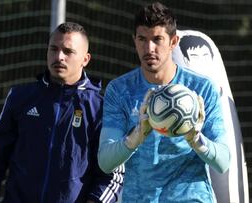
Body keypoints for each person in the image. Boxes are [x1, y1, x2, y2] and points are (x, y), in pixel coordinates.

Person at [0, 22, 124, 203]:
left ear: (86, 59)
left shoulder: (101, 110)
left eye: (68, 51)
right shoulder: (20, 97)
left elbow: (113, 174)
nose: (59, 57)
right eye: (53, 49)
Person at [97, 2, 230, 202]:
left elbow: (223, 162)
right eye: (142, 39)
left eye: (157, 39)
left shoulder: (201, 88)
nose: (149, 48)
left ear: (173, 41)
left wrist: (197, 140)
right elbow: (105, 162)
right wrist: (135, 137)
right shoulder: (120, 90)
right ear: (134, 40)